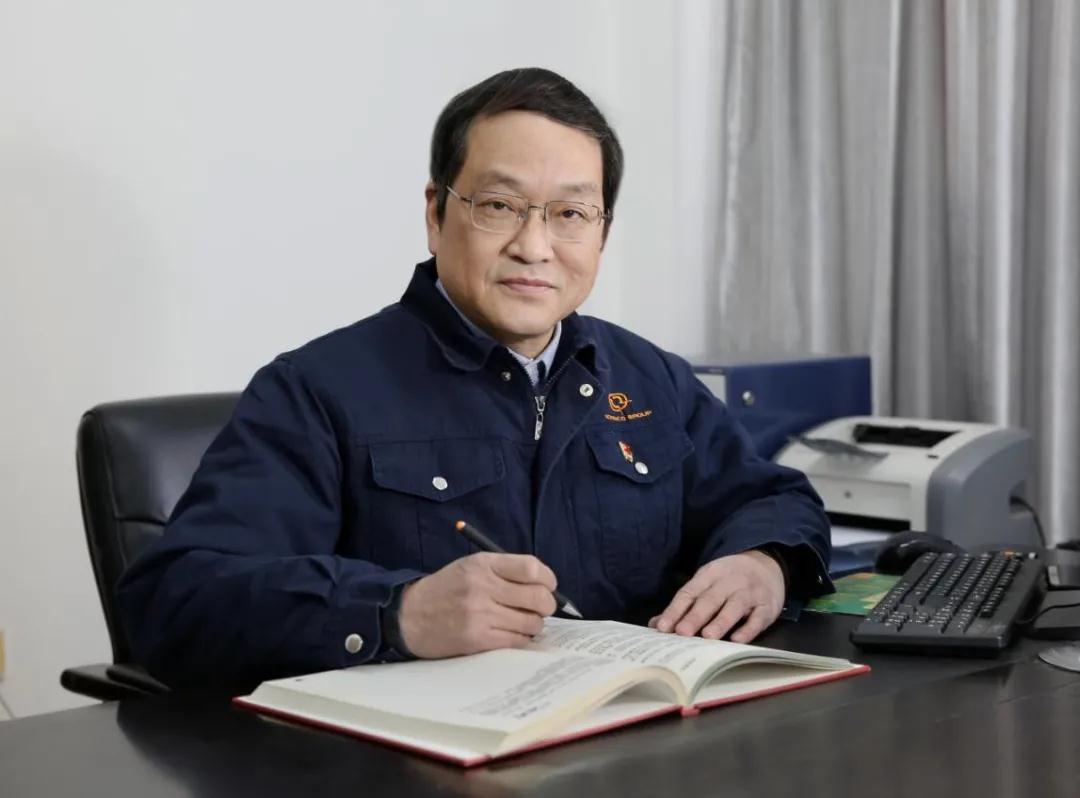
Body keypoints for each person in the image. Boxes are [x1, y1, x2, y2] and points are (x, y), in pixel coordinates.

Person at [117, 67, 832, 689]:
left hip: (626, 743)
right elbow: (175, 600)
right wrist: (394, 613)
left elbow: (774, 496)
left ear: (602, 234)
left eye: (571, 214)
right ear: (435, 214)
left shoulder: (649, 378)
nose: (534, 246)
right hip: (407, 766)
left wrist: (763, 562)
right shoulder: (316, 390)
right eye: (499, 206)